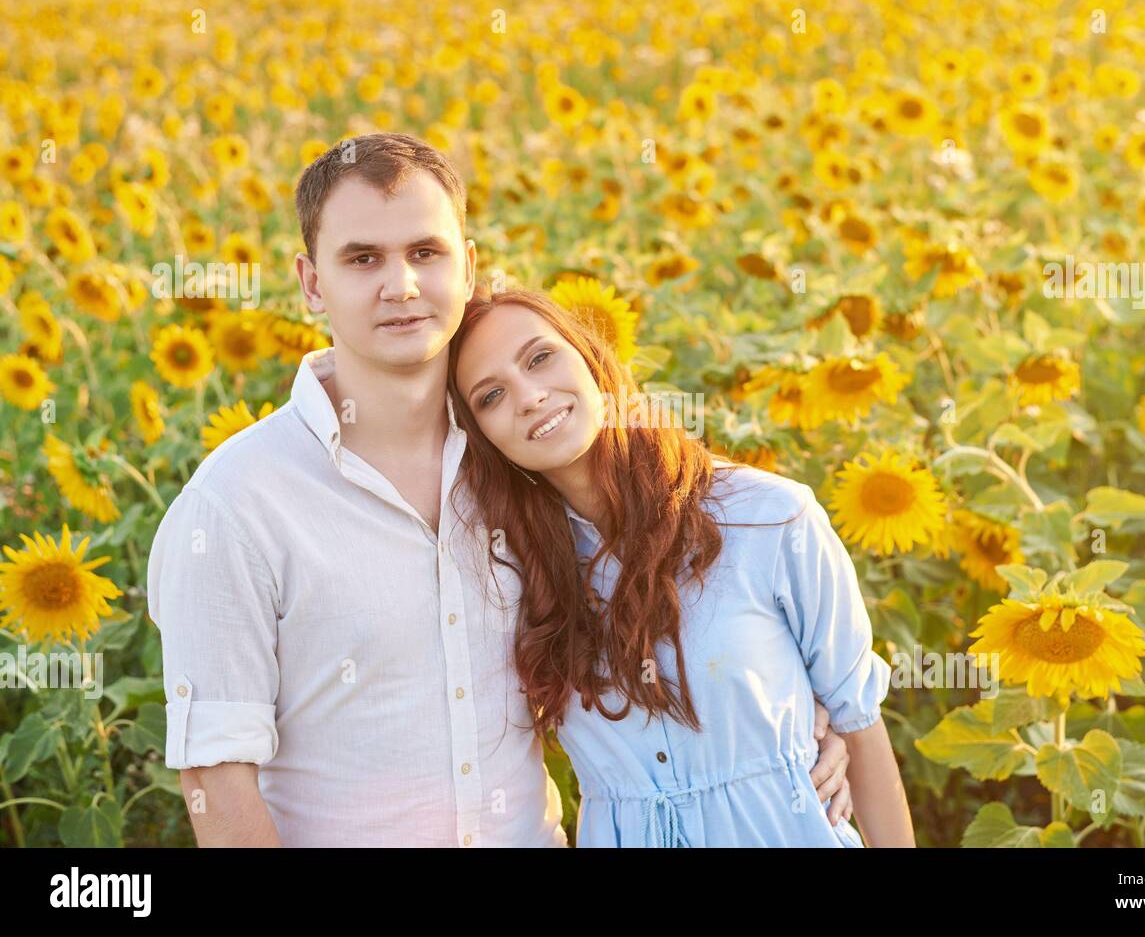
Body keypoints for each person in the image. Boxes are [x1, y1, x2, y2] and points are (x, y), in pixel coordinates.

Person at [145, 132, 851, 846]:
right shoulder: (236, 504)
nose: (403, 286)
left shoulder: (522, 459)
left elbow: (661, 611)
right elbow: (215, 775)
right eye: (364, 259)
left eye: (426, 252)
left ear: (469, 264)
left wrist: (792, 736)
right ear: (311, 282)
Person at [448, 287, 917, 847]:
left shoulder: (767, 520)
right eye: (491, 395)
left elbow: (859, 725)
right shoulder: (506, 574)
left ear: (591, 357)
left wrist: (790, 732)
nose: (528, 396)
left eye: (540, 357)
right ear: (480, 437)